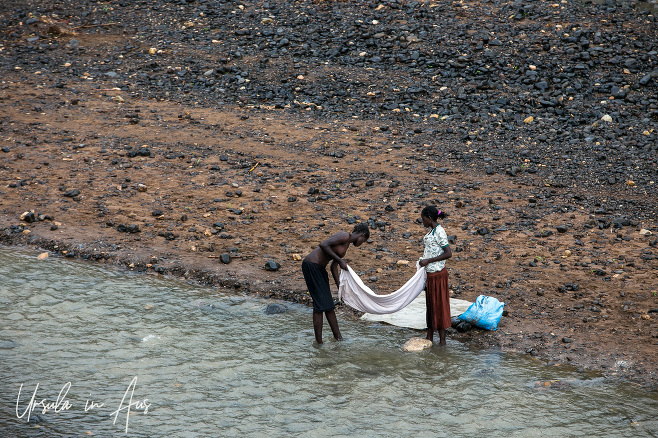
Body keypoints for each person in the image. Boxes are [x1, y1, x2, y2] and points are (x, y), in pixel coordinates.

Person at [302, 223, 370, 344]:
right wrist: (340, 260)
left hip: (320, 269)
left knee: (329, 306)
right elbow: (323, 244)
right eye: (363, 241)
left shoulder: (347, 245)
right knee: (319, 306)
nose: (361, 244)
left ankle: (338, 338)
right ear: (362, 235)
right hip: (311, 266)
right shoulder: (344, 236)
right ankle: (319, 343)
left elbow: (334, 266)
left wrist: (340, 287)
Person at [418, 205, 453, 346]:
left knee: (439, 306)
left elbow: (448, 253)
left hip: (438, 275)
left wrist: (428, 260)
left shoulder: (439, 232)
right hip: (431, 274)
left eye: (423, 219)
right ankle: (430, 336)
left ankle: (442, 341)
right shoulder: (432, 231)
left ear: (429, 218)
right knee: (431, 305)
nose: (422, 222)